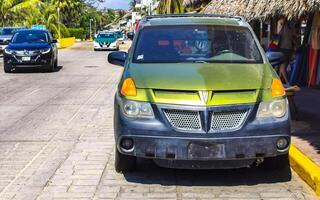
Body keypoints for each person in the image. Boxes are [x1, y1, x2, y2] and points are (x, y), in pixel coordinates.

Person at [276, 17, 297, 84]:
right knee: (283, 66)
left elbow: (292, 36)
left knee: (282, 66)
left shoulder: (289, 27)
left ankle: (279, 80)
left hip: (288, 48)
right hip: (283, 48)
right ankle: (287, 82)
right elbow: (278, 31)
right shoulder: (281, 24)